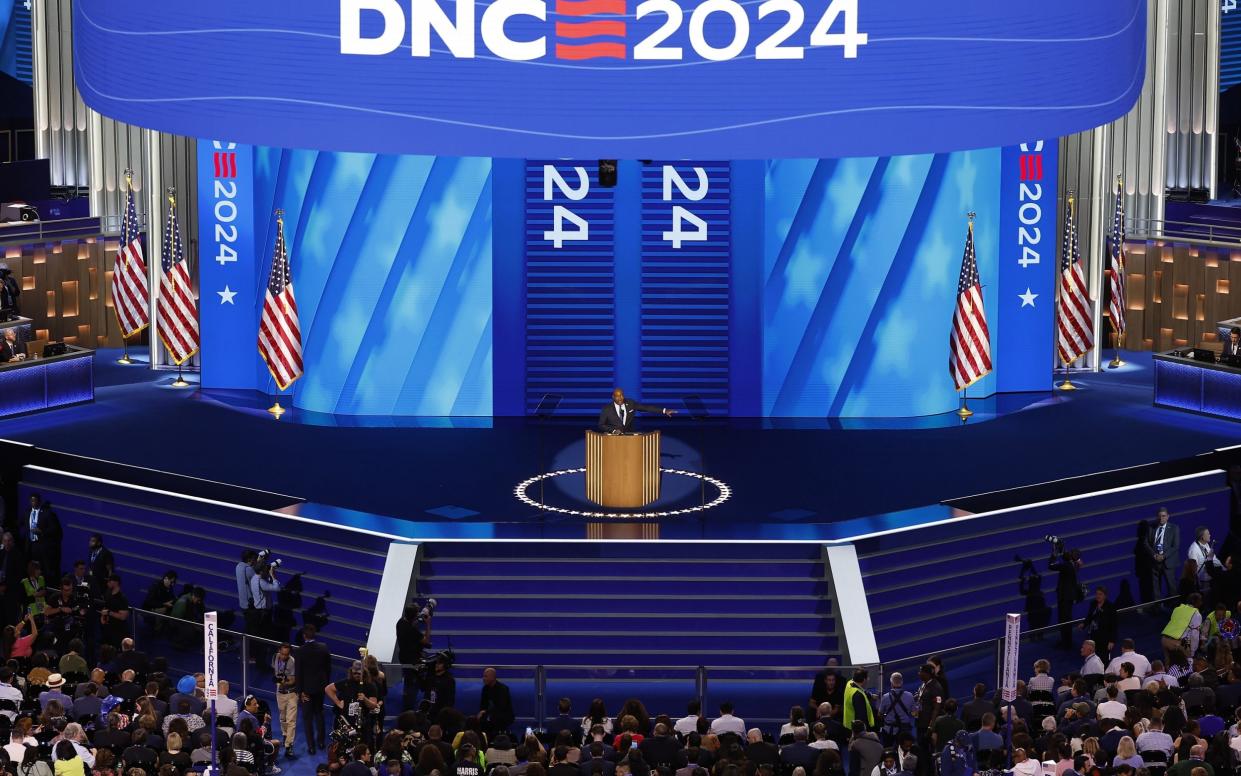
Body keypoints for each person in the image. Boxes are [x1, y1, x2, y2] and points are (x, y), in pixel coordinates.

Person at [296, 625, 330, 756]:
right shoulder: (324, 648)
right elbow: (328, 669)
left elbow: (298, 673)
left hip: (306, 690)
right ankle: (321, 742)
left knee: (307, 718)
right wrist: (325, 685)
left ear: (304, 636)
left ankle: (311, 746)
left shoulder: (300, 651)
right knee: (319, 714)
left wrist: (300, 691)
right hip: (320, 688)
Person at [395, 604, 431, 711]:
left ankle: (407, 705)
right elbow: (426, 641)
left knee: (408, 681)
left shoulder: (400, 622)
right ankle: (410, 708)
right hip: (413, 660)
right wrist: (428, 624)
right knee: (413, 684)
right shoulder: (412, 630)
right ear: (414, 616)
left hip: (404, 657)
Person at [20, 495, 61, 583]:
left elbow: (54, 529)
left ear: (39, 502)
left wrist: (42, 531)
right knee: (31, 567)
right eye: (31, 500)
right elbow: (22, 524)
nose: (33, 502)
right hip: (31, 545)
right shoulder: (27, 512)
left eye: (35, 500)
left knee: (44, 569)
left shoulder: (47, 513)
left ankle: (45, 586)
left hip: (42, 545)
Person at [597, 388, 675, 433]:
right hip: (613, 437)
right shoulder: (607, 409)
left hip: (629, 435)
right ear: (613, 397)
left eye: (622, 395)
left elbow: (646, 408)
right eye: (618, 396)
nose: (620, 398)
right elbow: (601, 425)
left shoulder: (630, 403)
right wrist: (613, 431)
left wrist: (664, 410)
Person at [1144, 508, 1181, 601]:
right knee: (1156, 588)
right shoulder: (1151, 528)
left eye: (1163, 516)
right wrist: (1154, 555)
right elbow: (1146, 543)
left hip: (1168, 562)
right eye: (1159, 516)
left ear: (1168, 517)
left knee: (1172, 587)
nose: (1161, 518)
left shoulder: (1174, 528)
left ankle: (1174, 608)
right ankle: (1157, 608)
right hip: (1155, 562)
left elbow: (1175, 546)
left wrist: (1163, 556)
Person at [1050, 544, 1083, 648]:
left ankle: (1066, 643)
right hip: (1068, 597)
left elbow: (1051, 566)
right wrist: (1062, 548)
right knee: (1067, 620)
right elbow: (1067, 556)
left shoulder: (1066, 566)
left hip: (1064, 597)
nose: (1068, 553)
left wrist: (1054, 554)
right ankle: (1067, 641)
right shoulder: (1074, 564)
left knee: (1064, 620)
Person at [272, 643, 297, 760]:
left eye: (286, 655)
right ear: (279, 651)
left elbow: (292, 680)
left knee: (291, 720)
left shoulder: (292, 662)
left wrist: (283, 682)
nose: (283, 656)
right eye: (282, 654)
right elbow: (275, 672)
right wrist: (277, 680)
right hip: (279, 693)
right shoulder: (275, 657)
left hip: (291, 694)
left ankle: (289, 745)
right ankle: (285, 735)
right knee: (283, 718)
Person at [1162, 593, 1204, 661]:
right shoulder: (1196, 614)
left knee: (1169, 663)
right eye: (1201, 601)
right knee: (1189, 664)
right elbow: (1194, 635)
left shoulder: (1177, 609)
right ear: (1198, 602)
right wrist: (1192, 653)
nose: (1202, 603)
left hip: (1164, 640)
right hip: (1177, 644)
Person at [1080, 587, 1117, 663]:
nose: (1098, 596)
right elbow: (1089, 616)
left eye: (1100, 594)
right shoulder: (1093, 604)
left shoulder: (1110, 607)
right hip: (1093, 636)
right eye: (1096, 594)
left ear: (1105, 596)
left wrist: (1112, 640)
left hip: (1105, 638)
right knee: (1093, 658)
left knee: (1104, 659)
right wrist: (1084, 624)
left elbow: (1114, 625)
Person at [478, 667, 514, 740]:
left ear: (492, 677)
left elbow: (501, 707)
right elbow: (483, 706)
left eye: (486, 676)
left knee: (495, 720)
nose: (483, 678)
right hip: (490, 714)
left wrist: (486, 712)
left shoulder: (503, 689)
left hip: (503, 715)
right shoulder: (485, 689)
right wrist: (482, 713)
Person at [98, 575, 130, 649]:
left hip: (118, 631)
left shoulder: (122, 599)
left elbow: (123, 617)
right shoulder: (108, 593)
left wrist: (109, 613)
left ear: (116, 583)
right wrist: (102, 617)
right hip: (107, 629)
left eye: (109, 581)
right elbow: (105, 606)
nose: (107, 583)